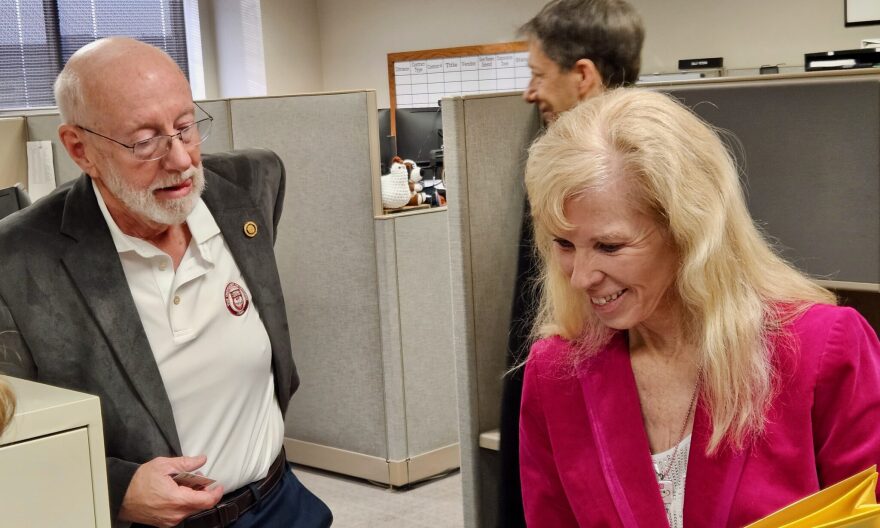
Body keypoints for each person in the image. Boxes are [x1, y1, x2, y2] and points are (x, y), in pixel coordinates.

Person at [0, 37, 332, 528]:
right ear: (79, 149)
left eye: (185, 127)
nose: (180, 161)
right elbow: (12, 441)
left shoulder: (247, 186)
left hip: (280, 502)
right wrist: (115, 489)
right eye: (145, 140)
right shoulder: (18, 262)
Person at [519, 87, 880, 527]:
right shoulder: (556, 372)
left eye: (610, 246)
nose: (580, 277)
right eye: (564, 244)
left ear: (689, 231)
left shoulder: (820, 350)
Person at [498, 1, 645, 525]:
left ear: (582, 75)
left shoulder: (623, 175)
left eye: (538, 74)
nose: (529, 92)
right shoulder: (557, 159)